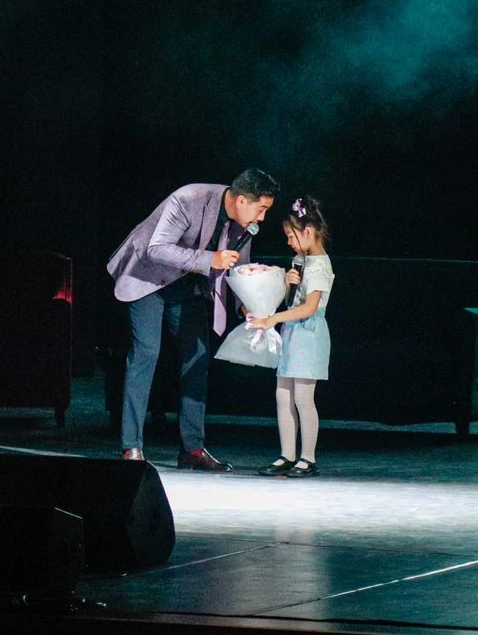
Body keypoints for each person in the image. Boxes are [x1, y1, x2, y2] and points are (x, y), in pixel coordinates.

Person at [108, 168, 279, 470]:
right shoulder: (189, 199)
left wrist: (247, 305)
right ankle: (131, 446)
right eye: (261, 209)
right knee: (146, 353)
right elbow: (157, 248)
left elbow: (239, 267)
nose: (262, 218)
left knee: (197, 358)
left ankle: (193, 449)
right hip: (147, 279)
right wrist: (209, 259)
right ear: (241, 200)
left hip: (188, 286)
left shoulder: (244, 225)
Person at [249, 196, 332, 478]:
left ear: (308, 231)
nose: (289, 242)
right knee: (283, 395)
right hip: (292, 331)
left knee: (303, 398)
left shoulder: (319, 265)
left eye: (291, 236)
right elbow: (291, 300)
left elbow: (309, 307)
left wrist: (273, 319)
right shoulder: (300, 260)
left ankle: (308, 458)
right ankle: (287, 454)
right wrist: (286, 283)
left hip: (309, 333)